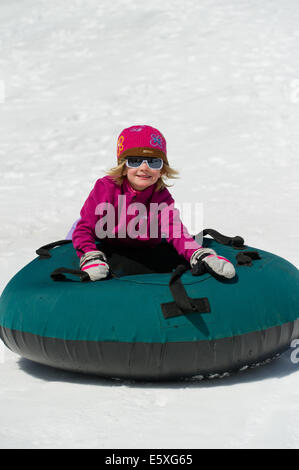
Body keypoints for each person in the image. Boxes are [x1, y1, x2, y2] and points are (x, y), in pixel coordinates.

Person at [71, 125, 236, 281]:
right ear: (123, 166)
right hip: (106, 241)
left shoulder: (161, 197)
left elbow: (175, 230)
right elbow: (84, 228)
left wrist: (199, 253)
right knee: (77, 235)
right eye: (135, 160)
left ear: (162, 169)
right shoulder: (106, 188)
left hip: (143, 248)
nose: (144, 168)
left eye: (154, 162)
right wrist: (90, 254)